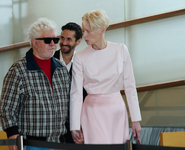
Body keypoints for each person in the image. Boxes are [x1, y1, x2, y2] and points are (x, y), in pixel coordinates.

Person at [70, 10, 142, 144]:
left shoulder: (121, 50)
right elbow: (76, 93)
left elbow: (130, 86)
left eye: (88, 31)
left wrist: (135, 120)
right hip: (92, 112)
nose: (84, 35)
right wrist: (74, 126)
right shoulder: (79, 56)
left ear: (101, 30)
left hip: (117, 111)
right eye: (83, 30)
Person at [0, 18, 70, 150]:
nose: (53, 44)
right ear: (35, 43)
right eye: (47, 40)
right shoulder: (18, 70)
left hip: (59, 143)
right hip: (32, 145)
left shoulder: (61, 69)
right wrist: (12, 134)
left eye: (55, 40)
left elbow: (69, 104)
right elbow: (7, 108)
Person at [53, 22, 87, 143]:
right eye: (62, 38)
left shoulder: (83, 63)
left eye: (69, 39)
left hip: (76, 125)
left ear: (78, 41)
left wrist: (82, 126)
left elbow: (85, 96)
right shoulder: (50, 60)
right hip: (53, 125)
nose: (64, 42)